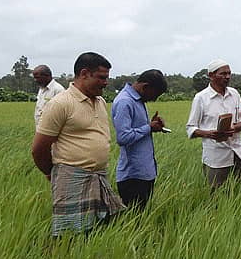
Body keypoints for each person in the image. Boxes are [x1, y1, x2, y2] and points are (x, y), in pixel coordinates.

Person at [31, 52, 125, 236]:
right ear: (84, 74)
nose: (105, 82)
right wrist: (52, 173)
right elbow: (38, 149)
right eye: (101, 77)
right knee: (70, 234)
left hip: (99, 176)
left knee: (99, 230)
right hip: (71, 178)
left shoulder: (100, 101)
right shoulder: (60, 103)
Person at [186, 59, 241, 189]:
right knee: (217, 192)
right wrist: (210, 134)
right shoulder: (201, 98)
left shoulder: (234, 94)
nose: (227, 77)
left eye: (229, 73)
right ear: (211, 75)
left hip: (238, 150)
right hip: (216, 156)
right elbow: (191, 128)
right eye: (223, 74)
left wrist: (234, 127)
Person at [111, 69, 169, 208]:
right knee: (135, 216)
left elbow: (136, 130)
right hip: (133, 176)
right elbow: (123, 137)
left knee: (142, 214)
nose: (154, 99)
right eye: (155, 95)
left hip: (144, 172)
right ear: (145, 87)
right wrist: (148, 127)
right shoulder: (125, 102)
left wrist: (152, 125)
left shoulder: (137, 100)